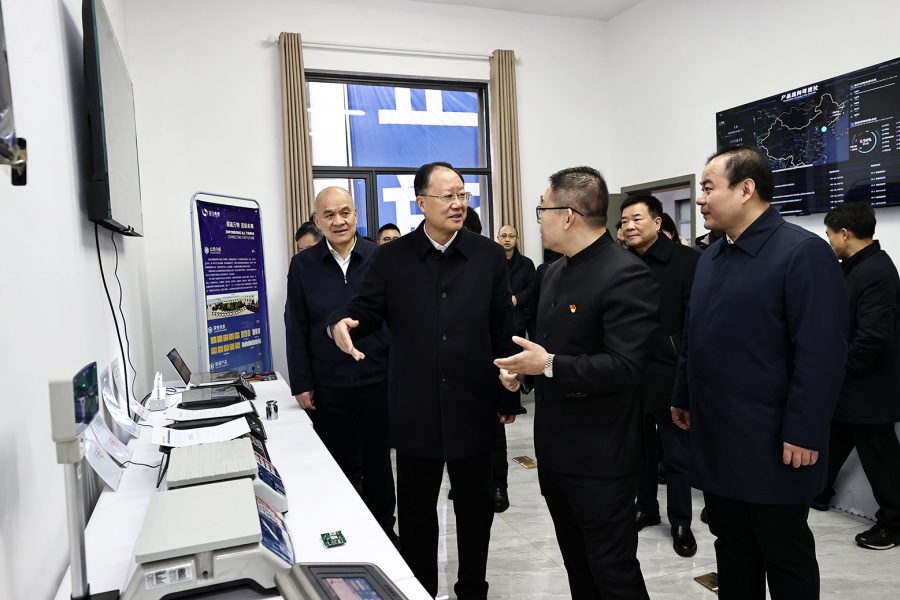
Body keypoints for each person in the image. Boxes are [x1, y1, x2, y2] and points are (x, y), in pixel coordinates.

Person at [327, 162, 519, 600]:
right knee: (415, 515)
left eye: (462, 195)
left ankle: (473, 589)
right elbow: (365, 308)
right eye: (447, 196)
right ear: (421, 203)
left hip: (473, 405)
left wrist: (508, 394)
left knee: (475, 511)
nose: (457, 203)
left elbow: (501, 327)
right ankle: (421, 592)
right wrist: (341, 321)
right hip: (415, 407)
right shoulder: (392, 257)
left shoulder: (488, 255)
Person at [671, 146, 848, 600]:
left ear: (746, 189)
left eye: (708, 187)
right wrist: (683, 394)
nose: (700, 198)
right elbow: (695, 334)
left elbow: (821, 354)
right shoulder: (711, 256)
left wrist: (805, 431)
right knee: (731, 544)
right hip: (718, 435)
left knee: (784, 552)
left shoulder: (802, 252)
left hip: (775, 442)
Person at [496, 166, 658, 600]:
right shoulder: (551, 272)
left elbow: (626, 366)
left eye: (542, 210)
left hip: (602, 457)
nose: (538, 220)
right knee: (577, 565)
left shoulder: (626, 273)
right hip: (555, 451)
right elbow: (550, 352)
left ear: (567, 215)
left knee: (612, 571)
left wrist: (547, 364)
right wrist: (523, 373)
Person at [284, 187, 396, 544]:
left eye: (345, 212)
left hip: (378, 379)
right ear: (317, 222)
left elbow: (398, 318)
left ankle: (384, 531)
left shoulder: (381, 257)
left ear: (356, 215)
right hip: (328, 384)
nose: (338, 221)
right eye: (329, 215)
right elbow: (296, 326)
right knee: (335, 464)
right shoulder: (303, 265)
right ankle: (346, 532)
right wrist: (301, 382)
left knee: (379, 463)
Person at [814, 202, 900, 550]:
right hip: (851, 387)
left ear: (845, 234)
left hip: (869, 389)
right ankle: (818, 491)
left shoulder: (876, 271)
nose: (829, 241)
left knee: (882, 459)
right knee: (832, 439)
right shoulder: (854, 267)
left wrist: (837, 368)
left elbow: (873, 339)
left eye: (829, 235)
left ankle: (894, 524)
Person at [620, 194, 699, 557]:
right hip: (630, 372)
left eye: (637, 219)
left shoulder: (687, 261)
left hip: (670, 372)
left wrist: (683, 366)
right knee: (640, 451)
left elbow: (694, 323)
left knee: (677, 455)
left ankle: (681, 521)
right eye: (624, 221)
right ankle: (646, 507)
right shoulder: (621, 261)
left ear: (657, 222)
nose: (629, 226)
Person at [492, 224, 536, 512]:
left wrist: (516, 298)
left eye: (511, 236)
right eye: (503, 236)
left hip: (516, 324)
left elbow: (532, 289)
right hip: (488, 333)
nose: (507, 240)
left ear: (517, 239)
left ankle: (499, 486)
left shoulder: (526, 264)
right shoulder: (491, 259)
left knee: (512, 371)